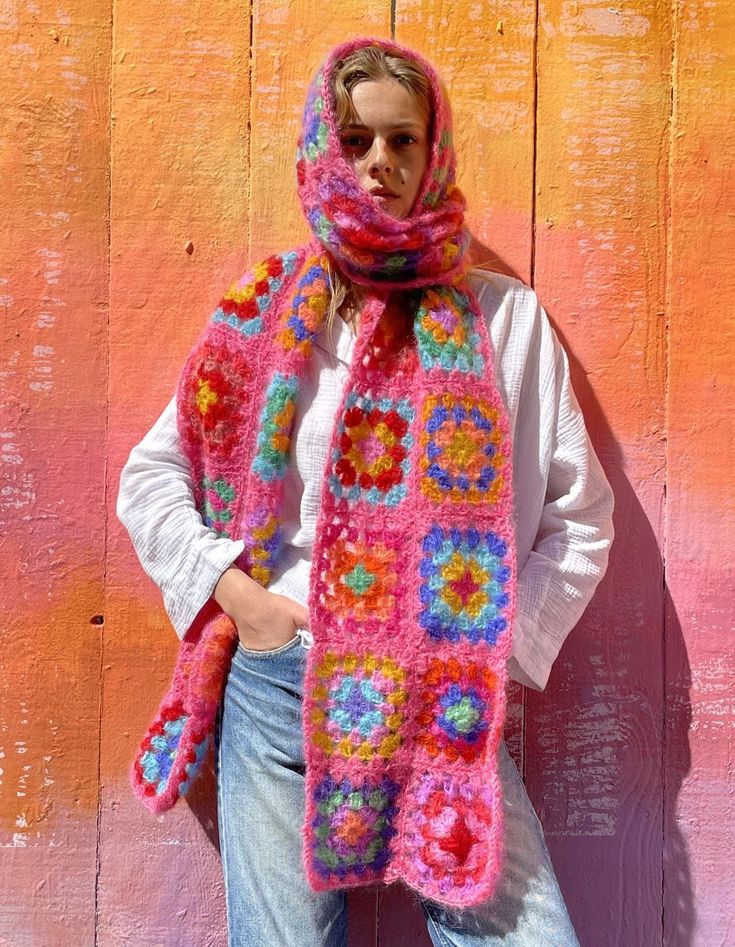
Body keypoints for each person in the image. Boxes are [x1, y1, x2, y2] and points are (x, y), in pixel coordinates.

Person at [117, 36, 614, 947]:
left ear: (435, 154)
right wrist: (239, 599)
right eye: (354, 141)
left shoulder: (506, 322)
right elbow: (152, 476)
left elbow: (578, 523)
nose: (379, 164)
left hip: (443, 699)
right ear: (322, 153)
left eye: (402, 141)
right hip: (280, 691)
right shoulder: (260, 313)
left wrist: (489, 655)